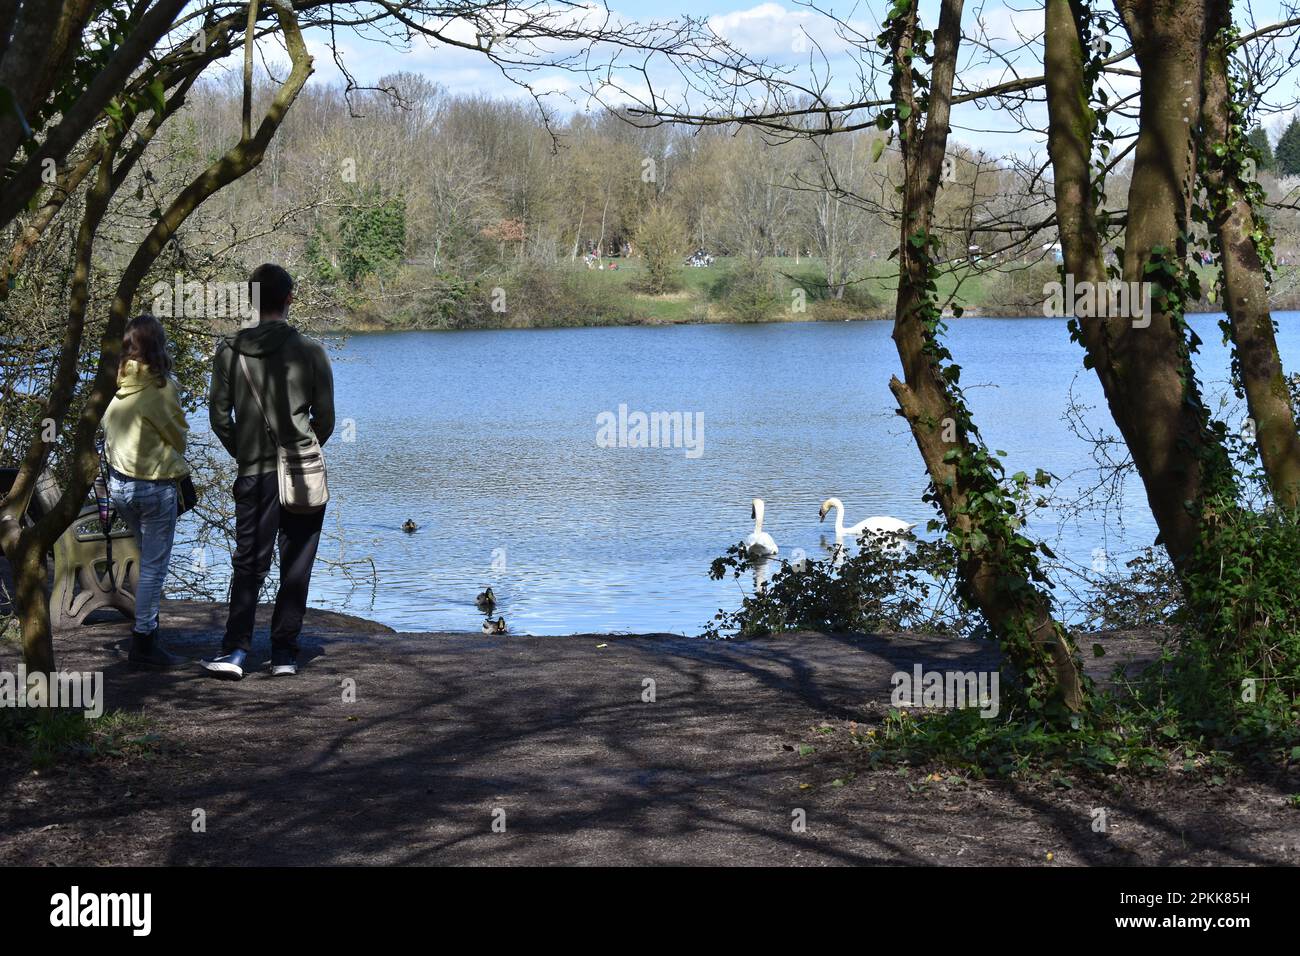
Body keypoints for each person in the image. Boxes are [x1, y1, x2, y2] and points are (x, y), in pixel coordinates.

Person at [203, 264, 334, 679]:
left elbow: (218, 417)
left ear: (251, 301)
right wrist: (301, 448)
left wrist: (245, 452)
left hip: (254, 473)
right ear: (289, 298)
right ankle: (284, 655)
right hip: (300, 473)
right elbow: (326, 419)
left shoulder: (229, 352)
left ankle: (235, 652)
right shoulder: (311, 351)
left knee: (249, 563)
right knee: (296, 563)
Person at [102, 314, 190, 668]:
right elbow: (179, 437)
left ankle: (149, 631)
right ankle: (144, 643)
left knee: (145, 559)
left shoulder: (119, 389)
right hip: (154, 489)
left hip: (120, 489)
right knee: (154, 567)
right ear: (159, 346)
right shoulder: (160, 389)